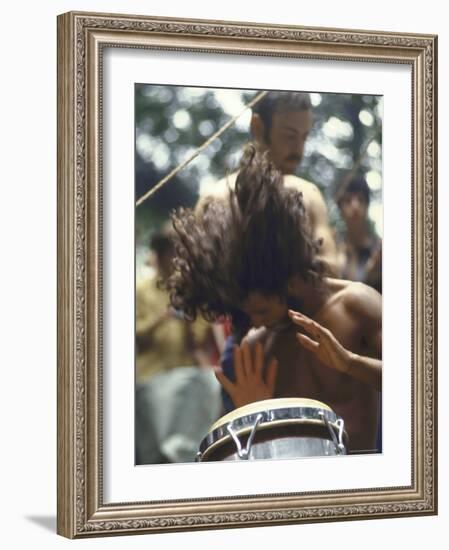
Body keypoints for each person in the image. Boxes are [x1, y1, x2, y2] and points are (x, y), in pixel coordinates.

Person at [168, 146, 382, 453]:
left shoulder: (355, 305)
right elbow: (243, 461)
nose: (254, 321)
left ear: (288, 279)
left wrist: (350, 363)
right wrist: (252, 414)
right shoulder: (257, 348)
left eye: (261, 309)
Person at [197, 90, 338, 272]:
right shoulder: (216, 199)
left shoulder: (309, 196)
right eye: (289, 135)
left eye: (304, 137)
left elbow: (332, 269)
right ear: (258, 127)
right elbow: (197, 278)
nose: (299, 150)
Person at [135, 228, 222, 464]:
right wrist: (162, 318)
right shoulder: (140, 290)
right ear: (160, 256)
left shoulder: (191, 291)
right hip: (151, 379)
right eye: (171, 255)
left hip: (184, 381)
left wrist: (185, 319)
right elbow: (135, 335)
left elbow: (199, 340)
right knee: (154, 455)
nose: (176, 262)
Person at [336, 177, 382, 293]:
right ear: (340, 208)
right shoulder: (333, 247)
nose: (355, 206)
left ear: (367, 206)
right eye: (348, 200)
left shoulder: (380, 249)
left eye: (361, 200)